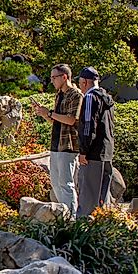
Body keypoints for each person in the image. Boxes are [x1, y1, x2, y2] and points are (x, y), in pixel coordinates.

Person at [31, 64, 82, 216]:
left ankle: (71, 217)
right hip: (56, 143)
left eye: (54, 77)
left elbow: (72, 120)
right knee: (55, 183)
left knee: (66, 184)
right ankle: (63, 214)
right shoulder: (59, 94)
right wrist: (45, 114)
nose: (52, 80)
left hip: (69, 145)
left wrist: (50, 113)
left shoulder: (76, 95)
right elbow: (56, 121)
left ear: (64, 77)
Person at [76, 66, 115, 217]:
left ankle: (84, 233)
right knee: (102, 199)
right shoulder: (107, 98)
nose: (80, 87)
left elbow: (88, 125)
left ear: (85, 82)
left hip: (92, 154)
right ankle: (102, 231)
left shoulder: (90, 98)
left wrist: (83, 151)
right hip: (107, 152)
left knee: (88, 197)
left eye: (80, 83)